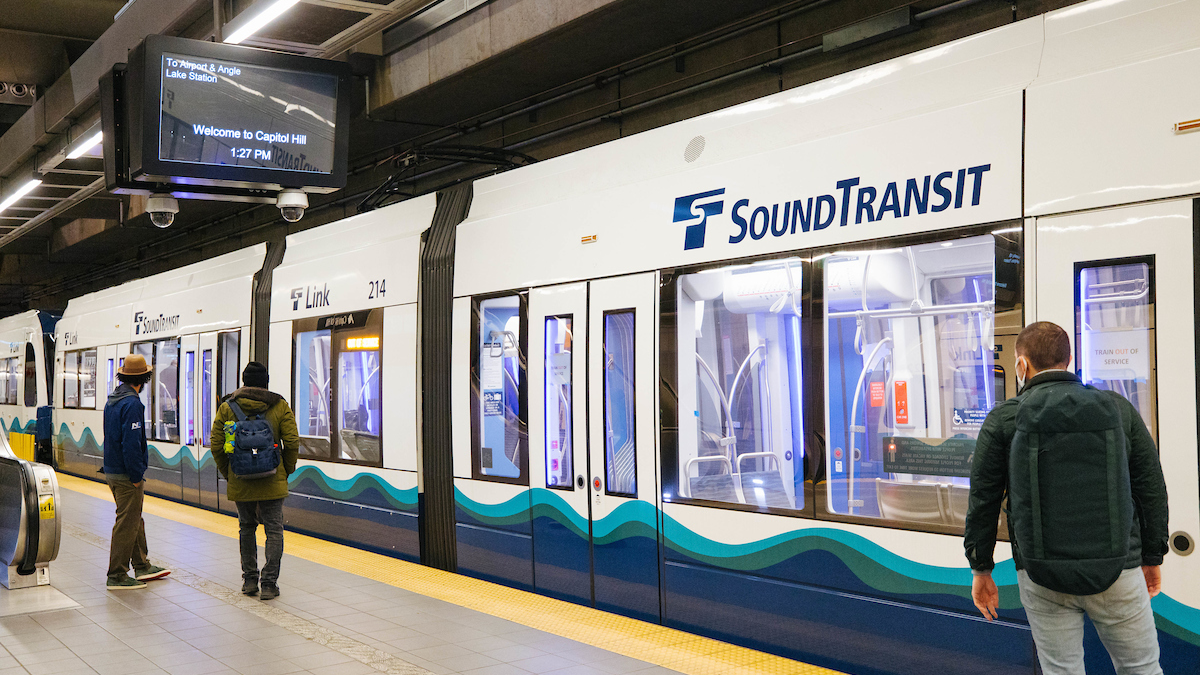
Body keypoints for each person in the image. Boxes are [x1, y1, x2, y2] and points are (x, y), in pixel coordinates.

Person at [964, 321, 1169, 675]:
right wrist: (1152, 554)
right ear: (1069, 359)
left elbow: (983, 500)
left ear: (1021, 365)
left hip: (1042, 574)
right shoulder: (1117, 409)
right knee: (1142, 668)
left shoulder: (1003, 420)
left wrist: (981, 566)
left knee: (1063, 671)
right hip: (1118, 569)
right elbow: (1149, 486)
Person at [211, 362, 299, 601]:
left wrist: (229, 473)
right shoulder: (280, 406)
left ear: (243, 380)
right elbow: (291, 443)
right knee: (274, 530)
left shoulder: (228, 408)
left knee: (246, 528)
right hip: (273, 479)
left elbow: (220, 446)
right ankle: (269, 584)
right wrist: (285, 469)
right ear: (266, 381)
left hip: (241, 479)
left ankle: (250, 581)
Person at [102, 354, 171, 590]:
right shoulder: (132, 404)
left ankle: (141, 565)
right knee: (126, 523)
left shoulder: (113, 399)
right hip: (125, 474)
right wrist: (135, 476)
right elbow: (131, 443)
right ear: (144, 378)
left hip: (112, 470)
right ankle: (117, 575)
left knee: (133, 519)